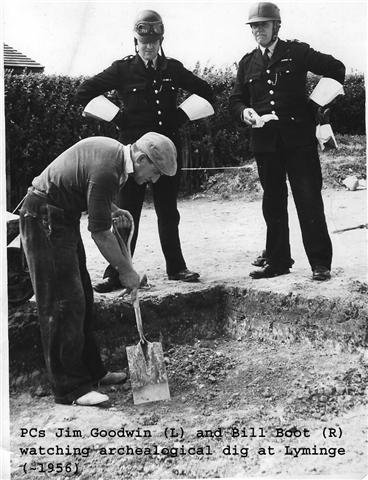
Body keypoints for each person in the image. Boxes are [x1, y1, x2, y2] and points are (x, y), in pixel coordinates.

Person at [19, 132, 177, 406]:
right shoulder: (109, 167)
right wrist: (126, 271)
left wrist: (111, 207)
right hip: (44, 218)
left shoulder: (114, 157)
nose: (155, 180)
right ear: (141, 159)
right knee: (63, 303)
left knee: (83, 299)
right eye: (155, 172)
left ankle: (93, 372)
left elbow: (86, 187)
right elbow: (100, 232)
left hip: (60, 218)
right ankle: (69, 389)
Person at [76, 9, 214, 292]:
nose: (149, 47)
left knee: (168, 211)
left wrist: (181, 116)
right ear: (135, 41)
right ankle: (116, 273)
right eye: (143, 42)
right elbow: (83, 91)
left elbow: (206, 91)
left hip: (164, 154)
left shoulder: (172, 69)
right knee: (127, 213)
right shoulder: (122, 69)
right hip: (134, 157)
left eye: (154, 42)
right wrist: (118, 118)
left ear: (161, 41)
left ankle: (177, 267)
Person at [229, 2, 345, 281]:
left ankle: (320, 263)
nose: (258, 31)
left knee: (308, 199)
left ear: (276, 26)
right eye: (254, 26)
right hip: (265, 144)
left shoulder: (297, 52)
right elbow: (235, 99)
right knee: (273, 202)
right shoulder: (247, 63)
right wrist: (245, 112)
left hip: (299, 141)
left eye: (263, 25)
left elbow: (336, 68)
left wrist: (316, 104)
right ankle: (278, 261)